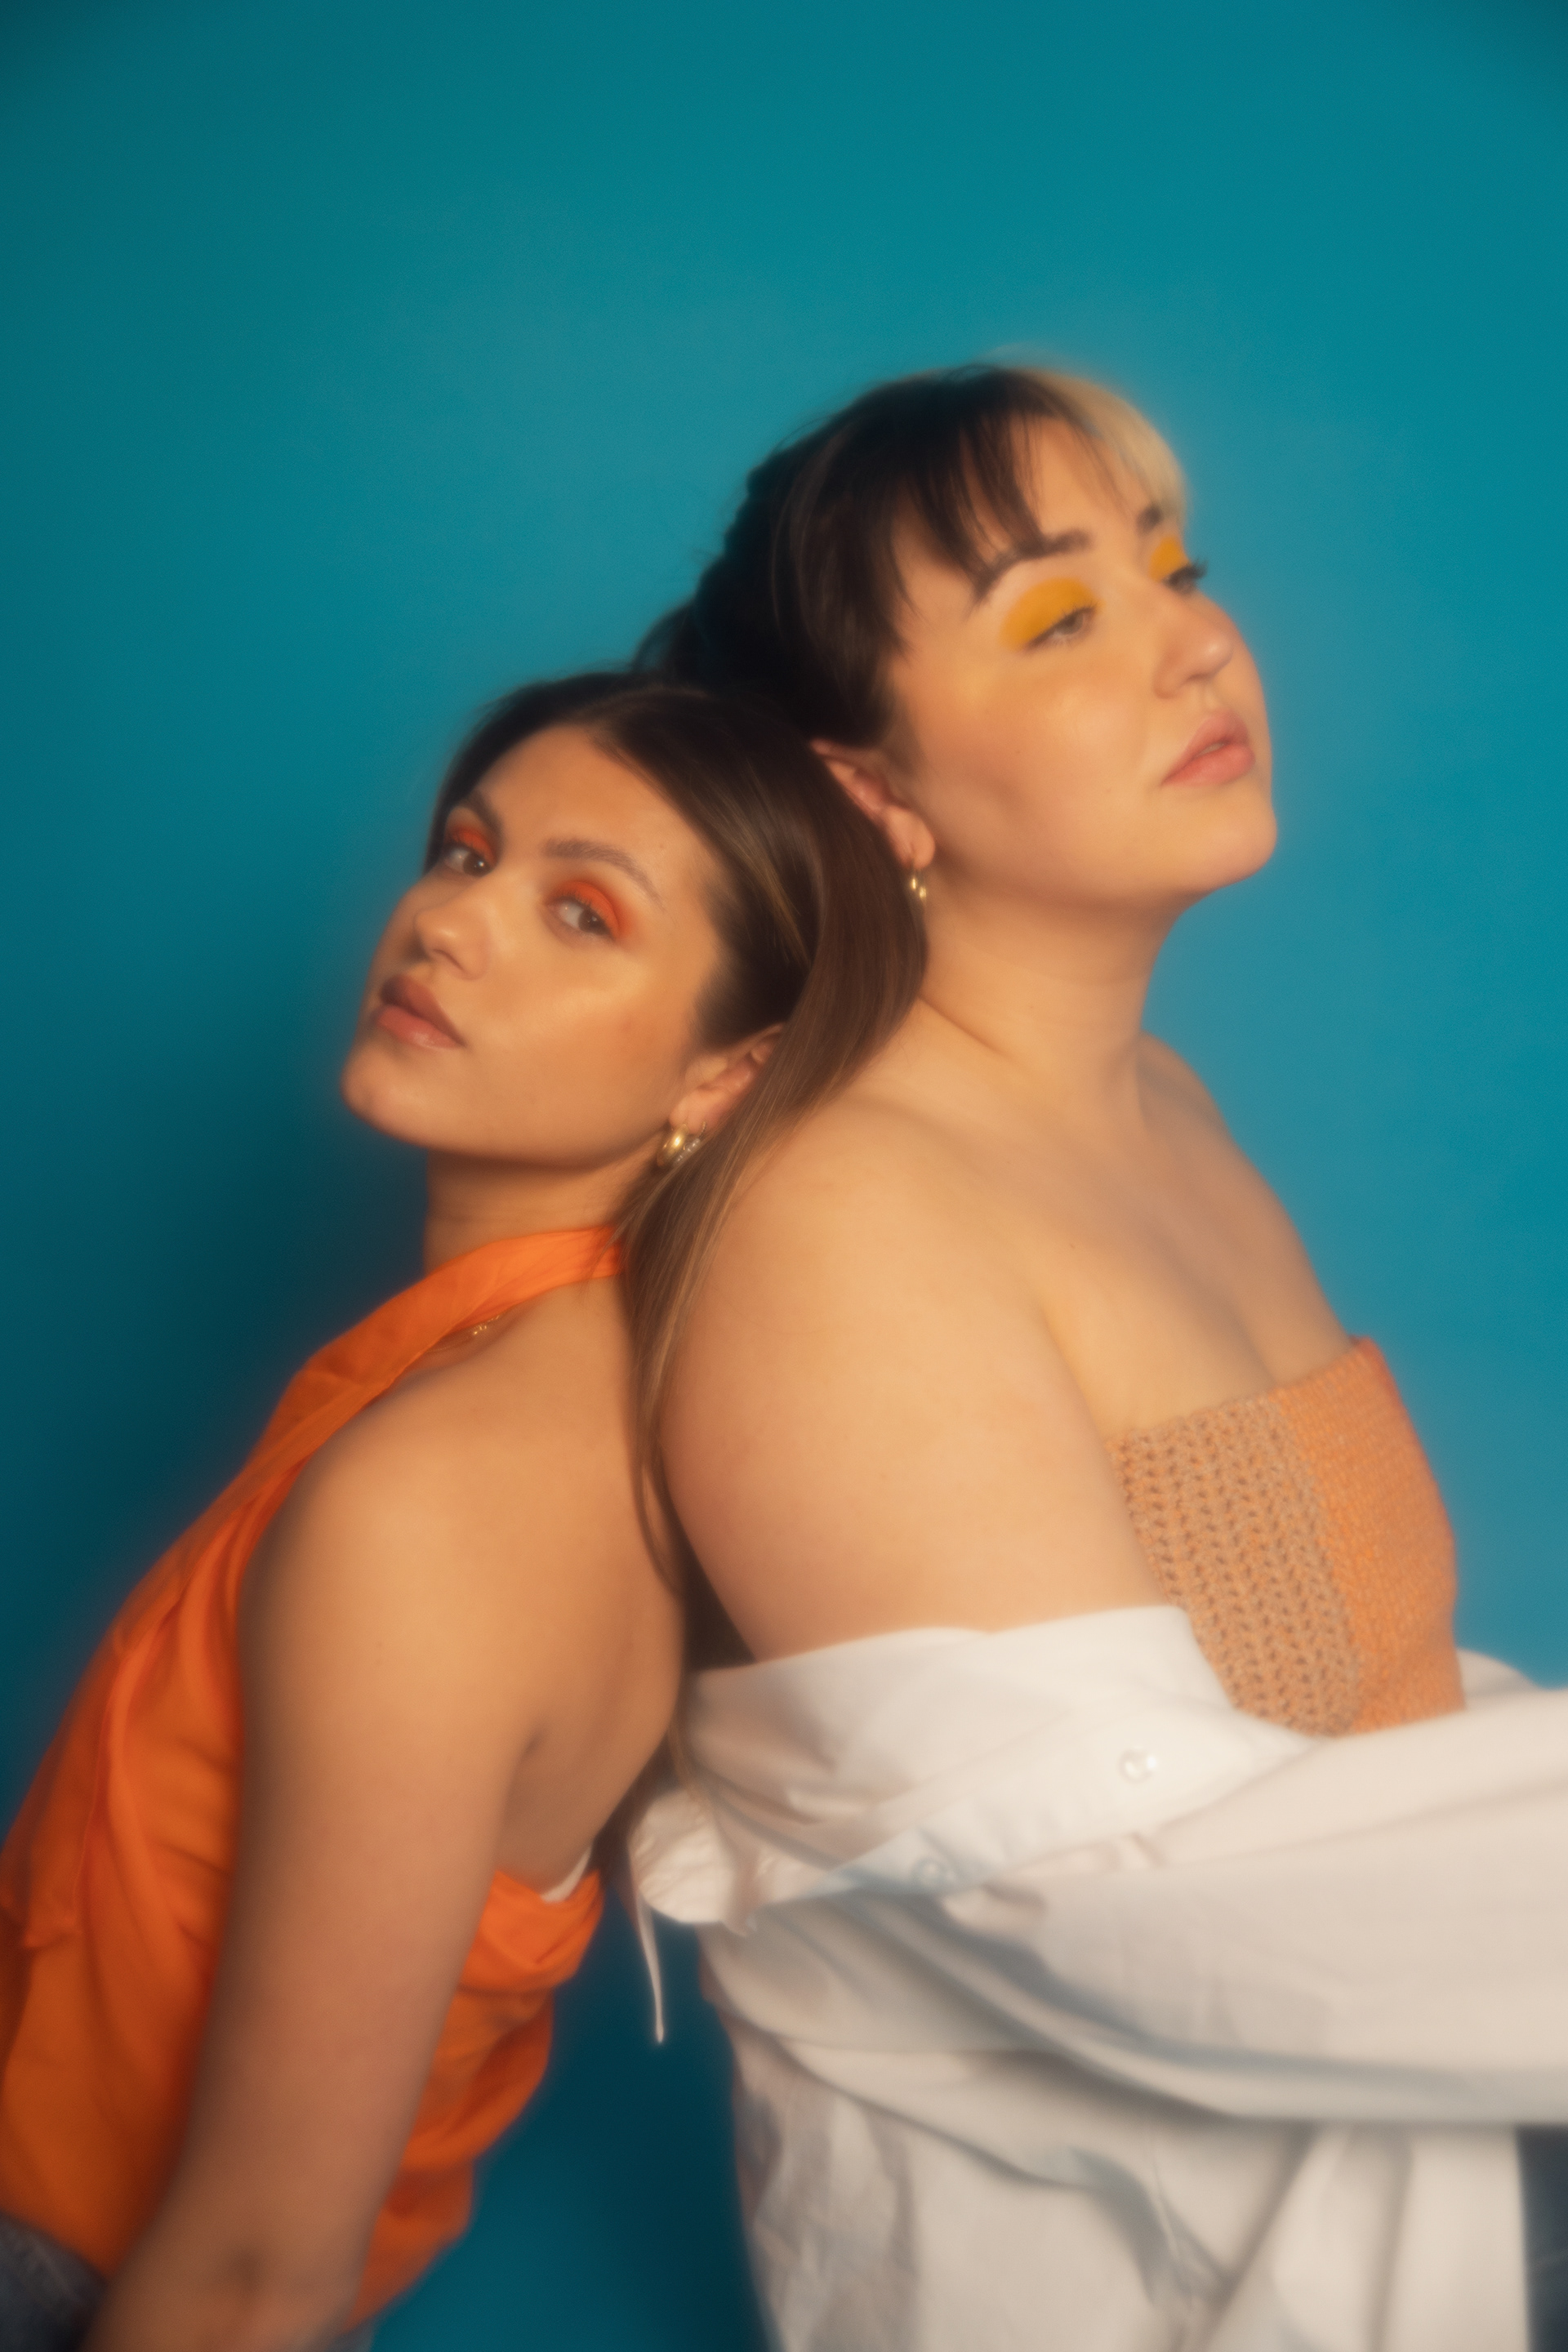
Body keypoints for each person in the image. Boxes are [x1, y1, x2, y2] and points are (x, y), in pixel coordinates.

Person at [628, 368, 1568, 2349]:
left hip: (1472, 2125)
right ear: (868, 793)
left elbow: (1375, 1716)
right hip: (1261, 2263)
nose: (1197, 643)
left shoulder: (1168, 1111)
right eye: (1062, 618)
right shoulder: (838, 1209)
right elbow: (1108, 1887)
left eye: (1177, 572)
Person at [0, 671, 922, 2352]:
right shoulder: (546, 1383)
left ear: (729, 1074)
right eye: (468, 852)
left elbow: (257, 2278)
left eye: (583, 913)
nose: (449, 922)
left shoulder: (451, 1493)